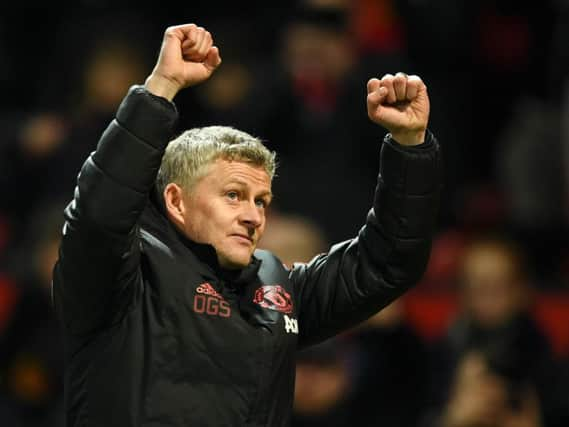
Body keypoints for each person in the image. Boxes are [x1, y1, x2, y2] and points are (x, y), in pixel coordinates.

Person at [52, 23, 442, 427]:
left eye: (262, 201)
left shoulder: (277, 289)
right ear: (176, 201)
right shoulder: (122, 276)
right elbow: (99, 216)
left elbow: (387, 262)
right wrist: (162, 86)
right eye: (234, 195)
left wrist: (409, 146)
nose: (254, 216)